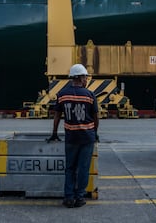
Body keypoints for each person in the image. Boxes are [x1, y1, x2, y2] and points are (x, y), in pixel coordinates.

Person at [48, 63, 99, 208]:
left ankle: (68, 198)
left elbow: (57, 116)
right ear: (80, 78)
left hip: (71, 138)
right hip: (87, 137)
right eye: (85, 77)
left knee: (70, 168)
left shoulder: (62, 95)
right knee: (83, 168)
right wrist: (95, 133)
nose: (86, 80)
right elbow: (96, 117)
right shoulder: (90, 95)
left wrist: (54, 133)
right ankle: (80, 197)